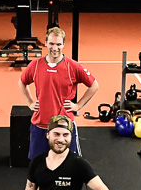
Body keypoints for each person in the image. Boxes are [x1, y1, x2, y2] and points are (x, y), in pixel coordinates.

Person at [20, 25, 98, 160]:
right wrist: (30, 102)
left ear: (63, 45)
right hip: (40, 124)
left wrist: (78, 106)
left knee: (70, 164)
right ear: (45, 43)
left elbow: (94, 85)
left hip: (64, 126)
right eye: (51, 43)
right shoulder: (35, 65)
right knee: (37, 165)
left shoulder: (73, 66)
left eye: (58, 44)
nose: (54, 48)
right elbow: (22, 82)